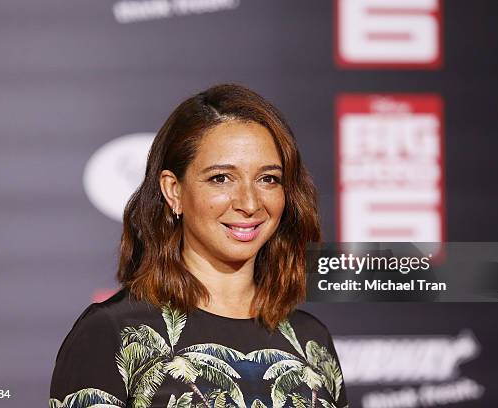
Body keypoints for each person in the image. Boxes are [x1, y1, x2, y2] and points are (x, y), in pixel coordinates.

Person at [49, 84, 349, 408]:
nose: (249, 203)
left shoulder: (311, 341)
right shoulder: (113, 333)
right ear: (173, 190)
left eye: (268, 179)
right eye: (221, 178)